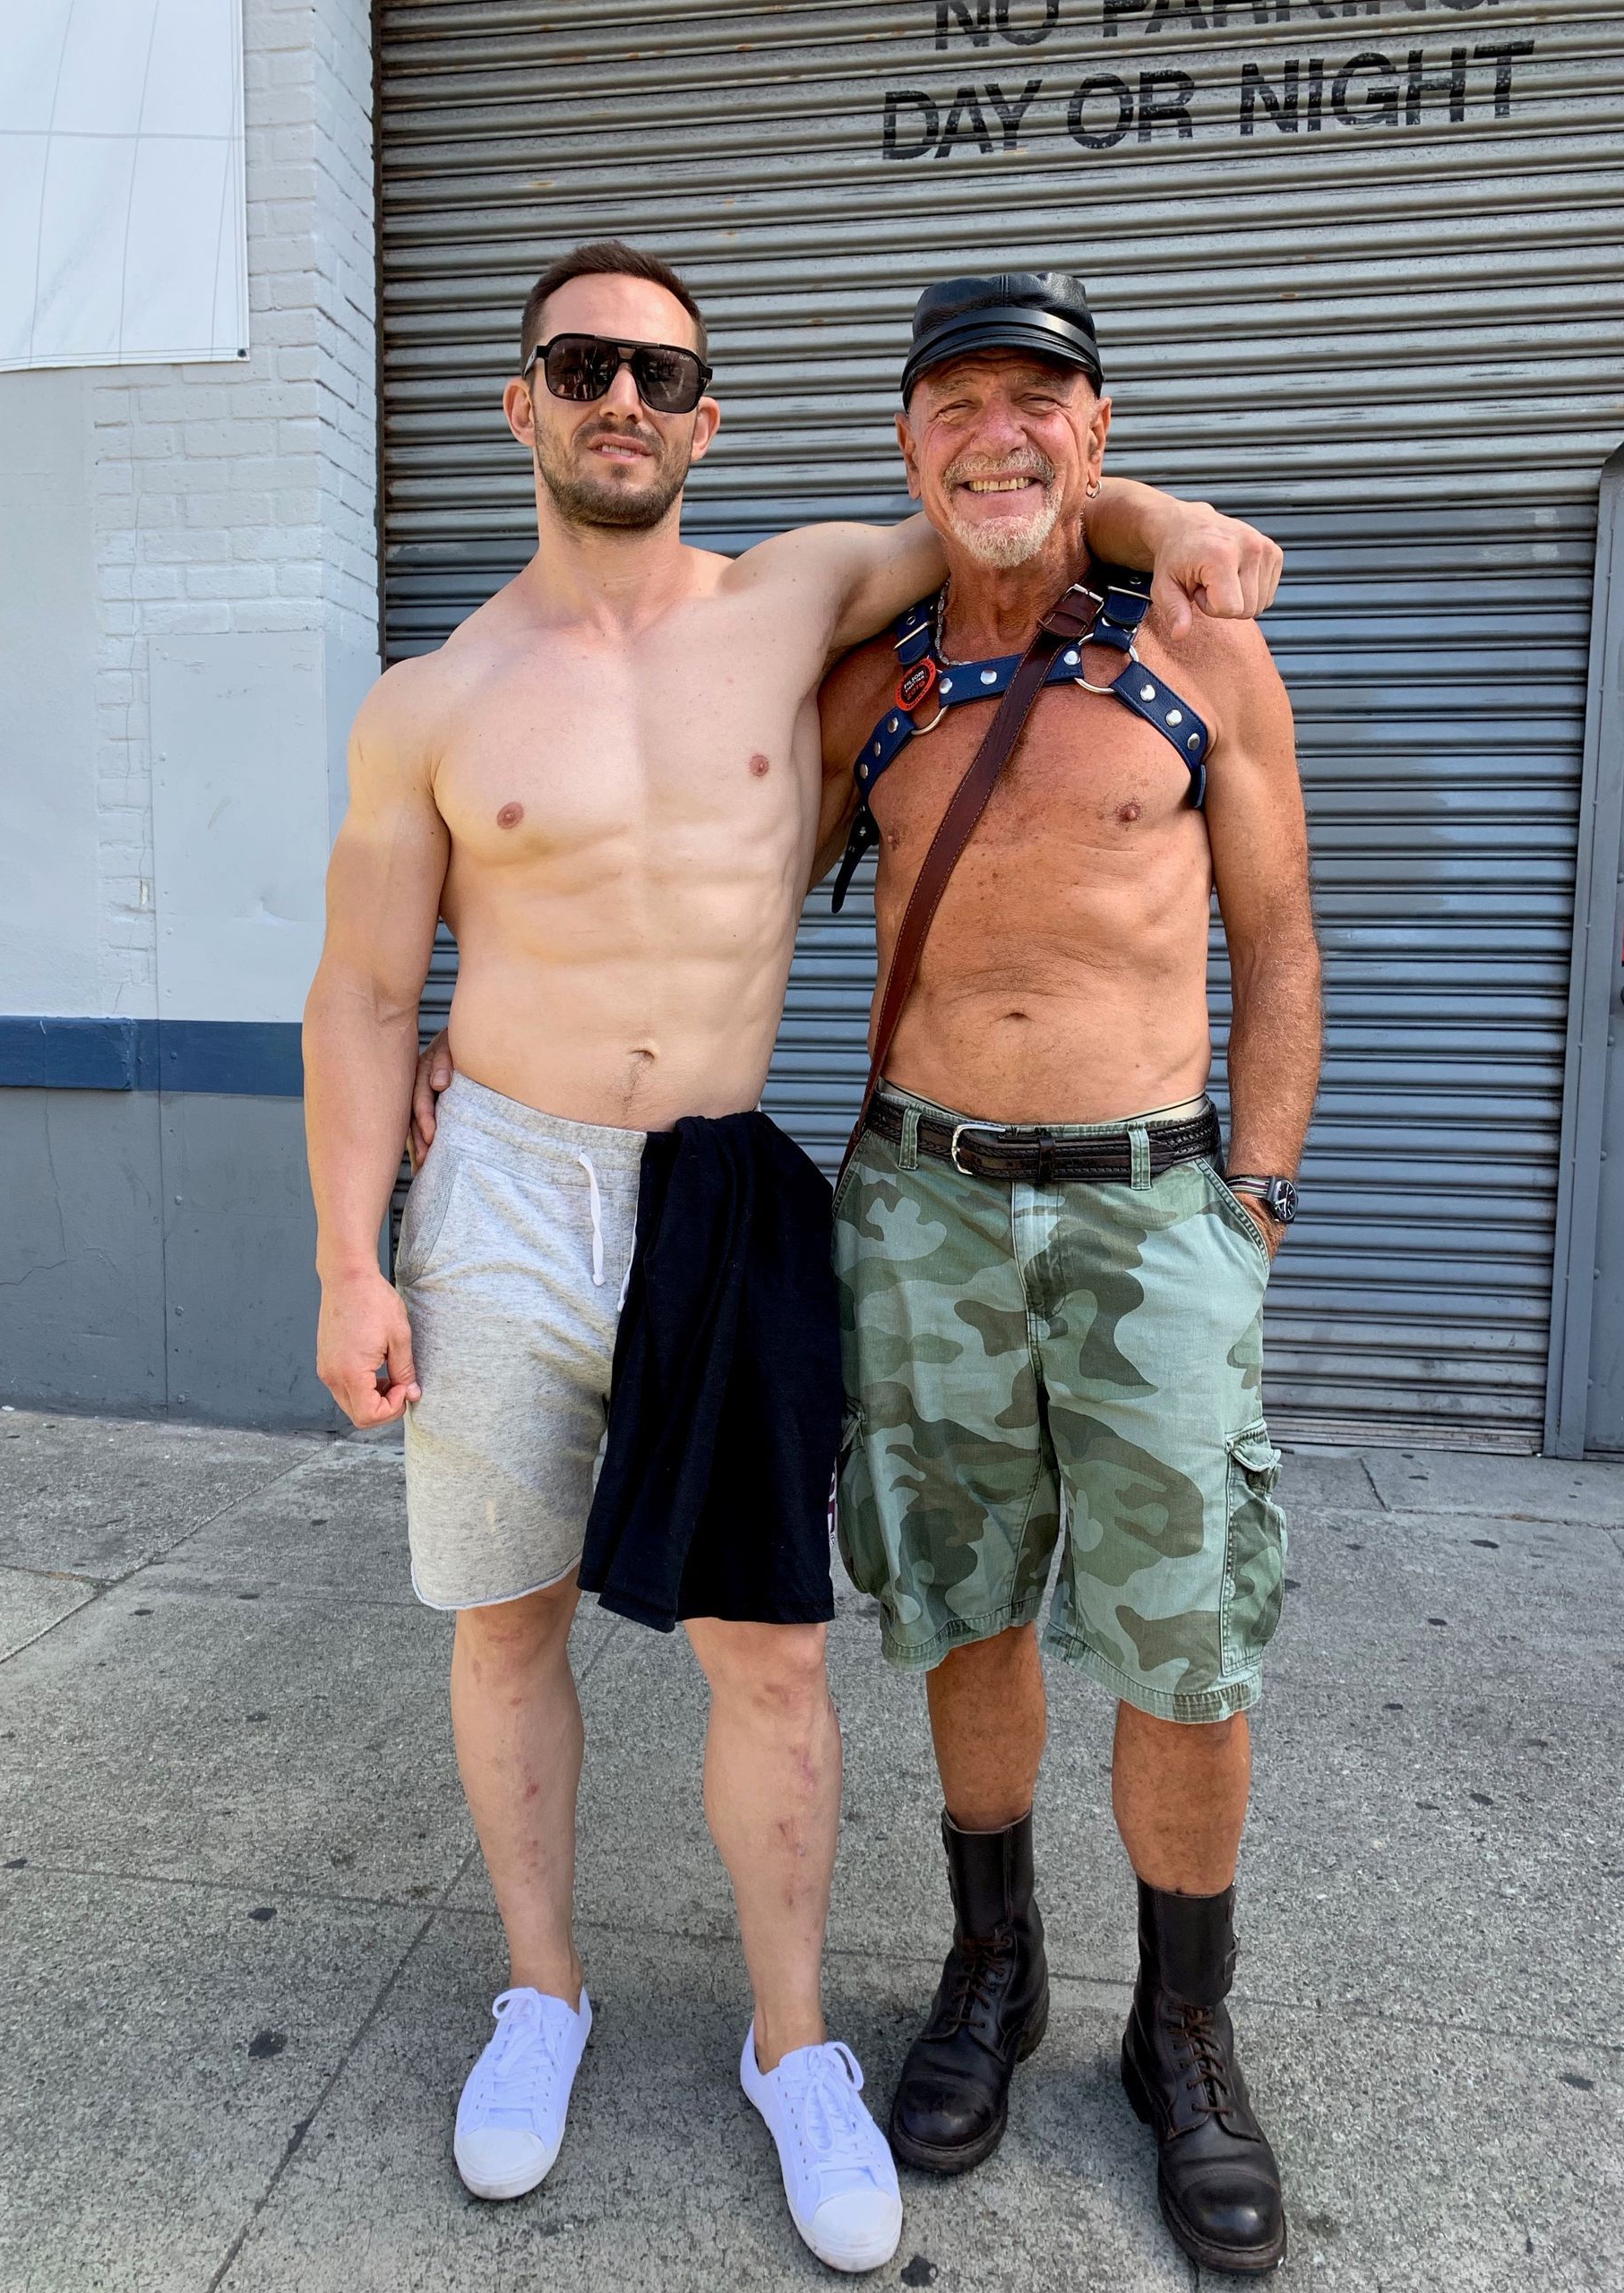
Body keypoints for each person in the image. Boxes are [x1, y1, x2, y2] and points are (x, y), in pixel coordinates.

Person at [317, 238, 1280, 2275]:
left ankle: (794, 2042)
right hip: (503, 1179)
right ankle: (542, 1992)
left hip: (731, 1190)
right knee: (507, 1616)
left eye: (663, 374)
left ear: (710, 418)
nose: (623, 402)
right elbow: (354, 986)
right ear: (522, 401)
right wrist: (349, 1249)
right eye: (581, 365)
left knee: (779, 1637)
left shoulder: (797, 607)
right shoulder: (430, 698)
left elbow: (1014, 487)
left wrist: (1172, 514)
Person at [813, 272, 1321, 2274]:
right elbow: (699, 886)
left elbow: (1279, 943)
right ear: (911, 440)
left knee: (1187, 1642)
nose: (1000, 434)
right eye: (960, 402)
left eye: (1043, 403)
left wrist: (1249, 1205)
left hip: (1149, 1216)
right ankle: (991, 1970)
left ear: (1097, 438)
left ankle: (1181, 2029)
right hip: (924, 1210)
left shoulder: (1200, 649)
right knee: (961, 1606)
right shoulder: (881, 680)